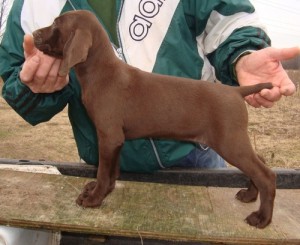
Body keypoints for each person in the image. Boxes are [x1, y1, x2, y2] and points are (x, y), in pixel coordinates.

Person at [0, 0, 298, 173]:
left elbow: (226, 19)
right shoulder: (31, 6)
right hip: (105, 165)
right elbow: (16, 76)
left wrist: (242, 54)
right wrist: (36, 88)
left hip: (195, 153)